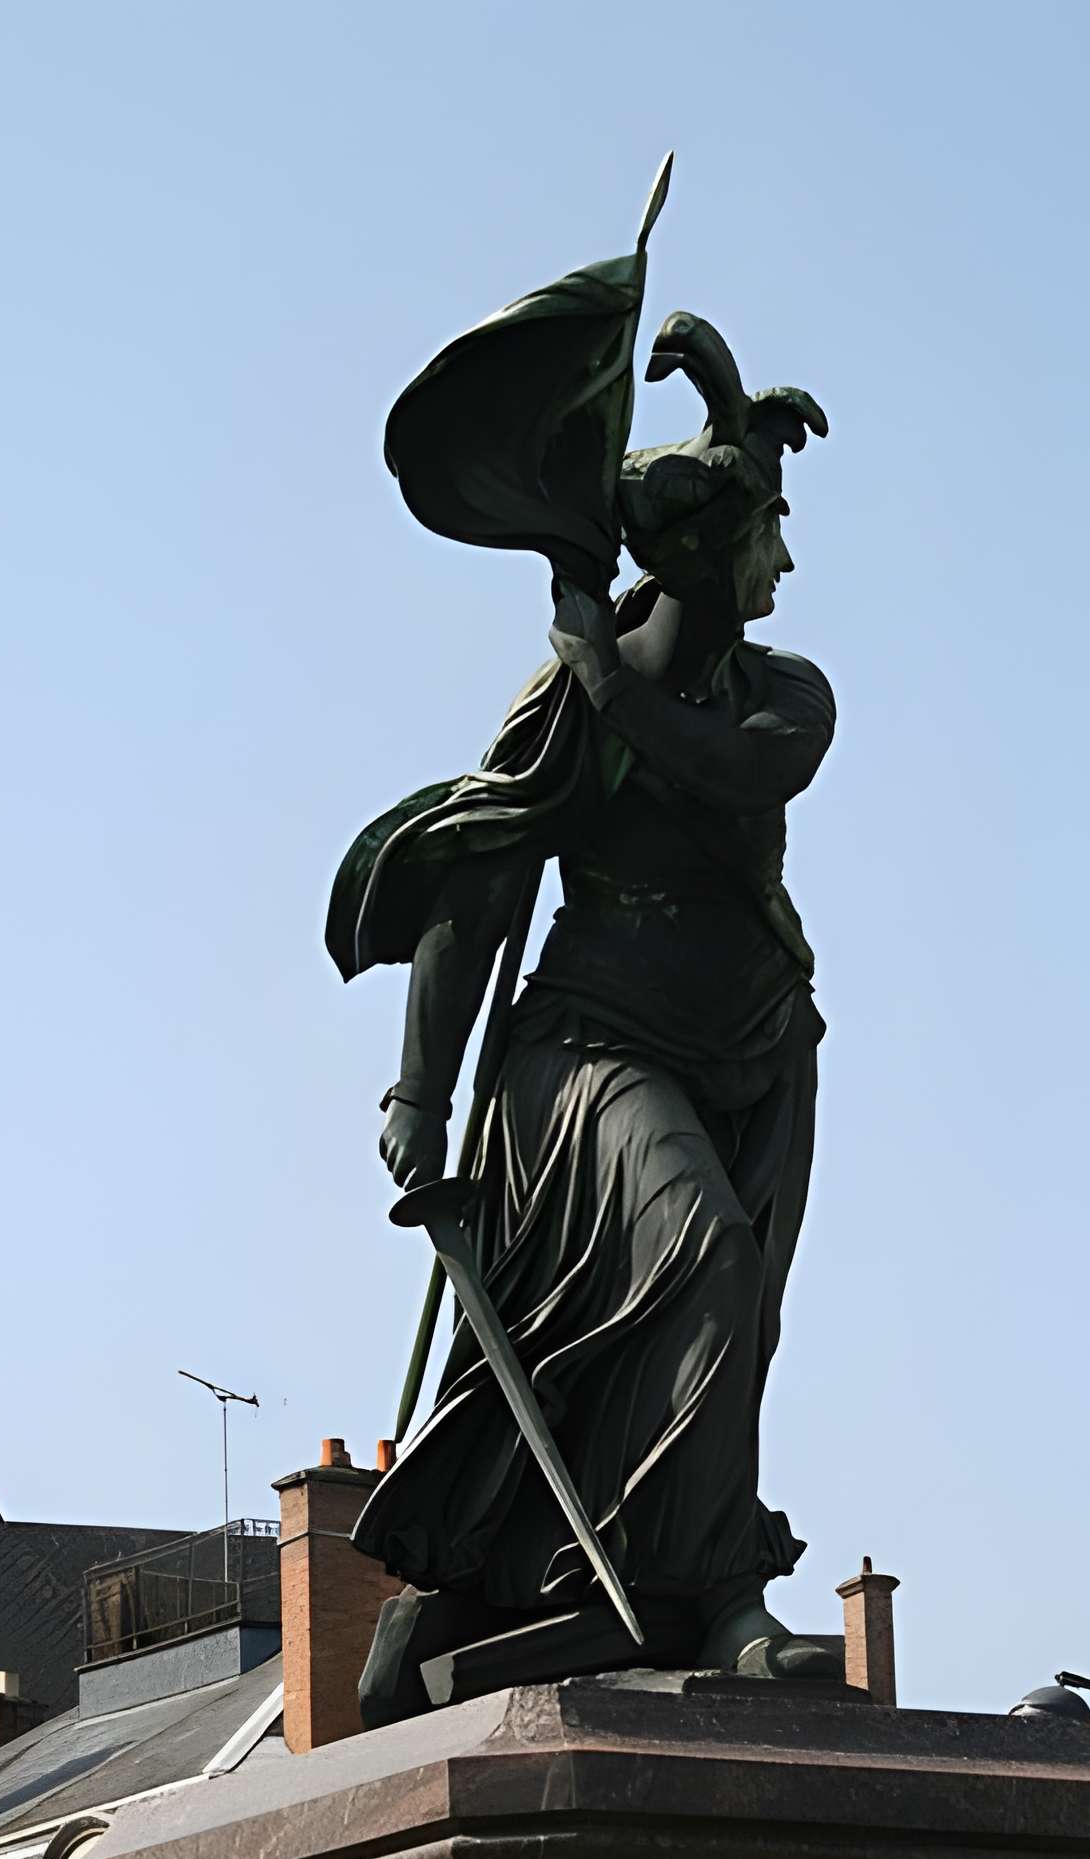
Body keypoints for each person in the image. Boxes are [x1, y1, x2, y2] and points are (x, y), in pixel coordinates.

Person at [329, 284, 840, 1723]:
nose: (788, 561)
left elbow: (731, 774)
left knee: (740, 1323)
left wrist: (604, 675)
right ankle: (717, 1597)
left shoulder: (783, 698)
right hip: (590, 1047)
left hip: (759, 1046)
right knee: (706, 1254)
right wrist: (419, 1097)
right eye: (764, 531)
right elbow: (473, 902)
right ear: (696, 555)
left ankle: (689, 1585)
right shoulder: (555, 717)